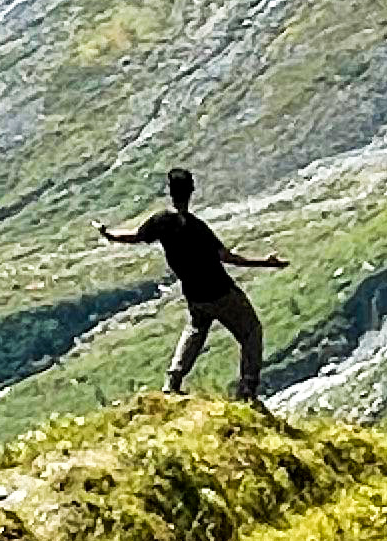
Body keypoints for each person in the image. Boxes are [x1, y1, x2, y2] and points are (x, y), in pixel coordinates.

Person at [98, 167, 286, 404]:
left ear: (171, 192)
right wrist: (266, 263)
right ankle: (247, 389)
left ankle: (172, 382)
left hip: (194, 294)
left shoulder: (161, 221)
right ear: (191, 192)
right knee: (251, 331)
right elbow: (227, 257)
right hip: (220, 290)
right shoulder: (197, 228)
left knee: (196, 329)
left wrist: (110, 235)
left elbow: (136, 236)